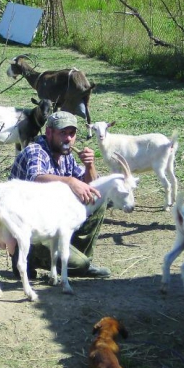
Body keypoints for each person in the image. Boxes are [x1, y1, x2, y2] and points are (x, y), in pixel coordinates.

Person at [9, 111, 111, 279]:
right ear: (49, 132)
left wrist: (89, 166)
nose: (68, 138)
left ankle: (79, 258)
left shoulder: (66, 156)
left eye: (72, 133)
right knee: (79, 265)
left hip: (52, 223)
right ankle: (26, 255)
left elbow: (90, 188)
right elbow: (36, 178)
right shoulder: (35, 150)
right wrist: (69, 181)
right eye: (63, 133)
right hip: (31, 229)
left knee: (96, 199)